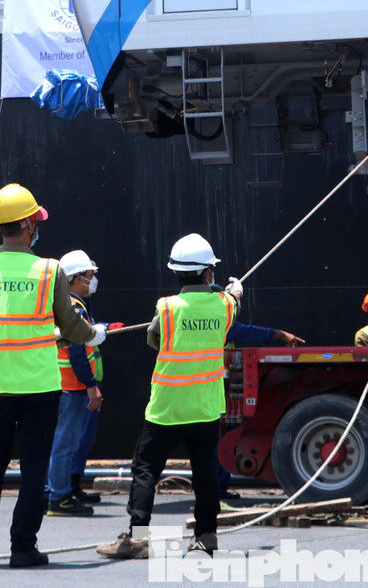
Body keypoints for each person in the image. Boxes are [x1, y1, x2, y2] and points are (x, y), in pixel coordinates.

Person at [0, 184, 107, 569]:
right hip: (39, 386)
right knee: (34, 468)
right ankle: (23, 547)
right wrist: (95, 334)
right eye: (35, 221)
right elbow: (70, 326)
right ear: (26, 224)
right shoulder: (48, 269)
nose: (37, 228)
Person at [97, 233, 243, 561]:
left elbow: (153, 339)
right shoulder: (224, 305)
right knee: (205, 473)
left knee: (146, 468)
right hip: (205, 407)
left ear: (176, 272)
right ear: (208, 273)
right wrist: (235, 292)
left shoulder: (166, 307)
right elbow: (232, 305)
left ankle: (139, 538)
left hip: (166, 408)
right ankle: (206, 537)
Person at [46, 249, 106, 517]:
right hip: (72, 386)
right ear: (76, 278)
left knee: (66, 441)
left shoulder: (70, 305)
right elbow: (78, 350)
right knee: (65, 443)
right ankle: (58, 497)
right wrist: (90, 384)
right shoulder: (74, 307)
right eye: (90, 276)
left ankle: (59, 490)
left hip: (69, 385)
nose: (93, 280)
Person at [217, 320, 305, 499]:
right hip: (215, 386)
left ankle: (215, 487)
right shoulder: (218, 322)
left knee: (217, 434)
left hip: (208, 385)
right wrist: (279, 334)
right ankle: (215, 487)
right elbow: (243, 332)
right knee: (220, 435)